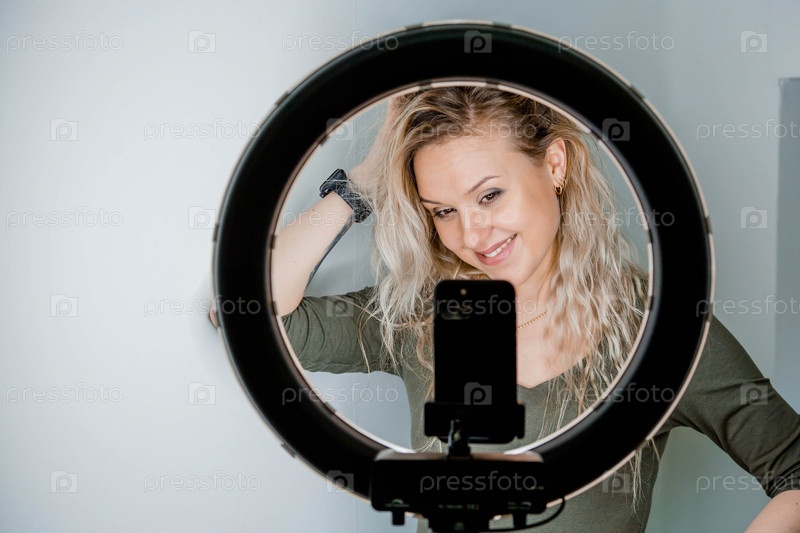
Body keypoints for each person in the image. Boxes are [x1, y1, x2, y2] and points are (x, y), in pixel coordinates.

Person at [214, 87, 800, 532]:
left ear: (555, 165)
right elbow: (244, 312)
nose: (472, 234)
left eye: (489, 195)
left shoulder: (657, 334)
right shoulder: (424, 315)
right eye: (442, 211)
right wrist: (361, 186)